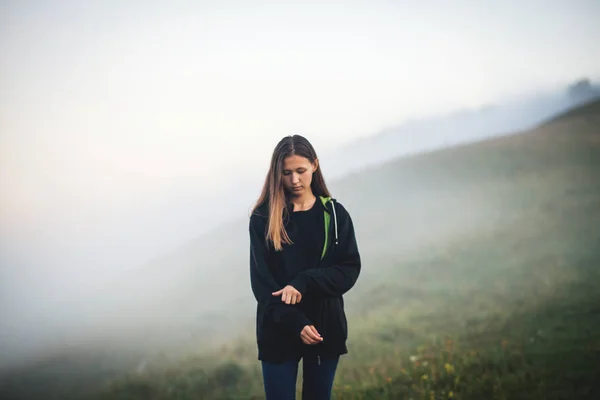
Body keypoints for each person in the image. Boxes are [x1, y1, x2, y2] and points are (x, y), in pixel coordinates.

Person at [248, 134, 361, 400]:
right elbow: (262, 285)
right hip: (277, 329)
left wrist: (304, 281)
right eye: (286, 173)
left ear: (315, 165)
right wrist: (295, 322)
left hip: (324, 329)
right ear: (277, 173)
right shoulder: (262, 218)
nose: (294, 180)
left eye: (301, 171)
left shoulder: (334, 214)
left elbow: (348, 269)